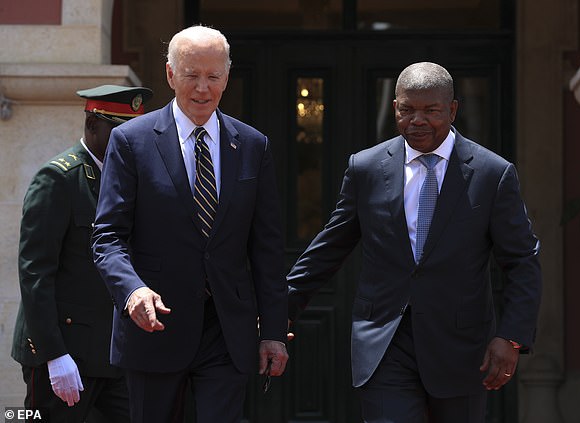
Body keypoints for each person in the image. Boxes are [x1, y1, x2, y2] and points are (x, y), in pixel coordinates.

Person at [287, 62, 542, 423]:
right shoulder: (367, 168)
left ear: (452, 110)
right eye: (407, 110)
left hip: (461, 349)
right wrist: (280, 308)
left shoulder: (491, 174)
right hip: (385, 344)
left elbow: (522, 260)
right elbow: (329, 247)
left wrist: (512, 337)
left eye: (431, 111)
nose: (417, 121)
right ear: (394, 108)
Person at [91, 25, 289, 423]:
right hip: (155, 325)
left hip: (227, 330)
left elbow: (266, 247)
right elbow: (108, 236)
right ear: (169, 75)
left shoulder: (252, 145)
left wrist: (271, 330)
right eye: (191, 76)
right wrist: (132, 292)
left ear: (227, 77)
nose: (202, 89)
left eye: (213, 77)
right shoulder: (132, 141)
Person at [12, 84, 153, 423]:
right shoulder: (59, 179)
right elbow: (35, 273)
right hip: (65, 354)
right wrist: (54, 354)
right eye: (119, 132)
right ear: (92, 125)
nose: (129, 142)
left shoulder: (133, 182)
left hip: (114, 353)